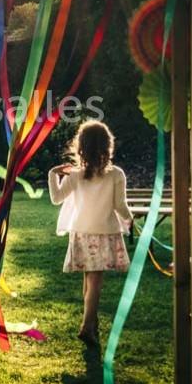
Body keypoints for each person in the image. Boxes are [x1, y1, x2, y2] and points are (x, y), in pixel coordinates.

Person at [48, 120, 133, 348]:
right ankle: (87, 327)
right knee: (94, 282)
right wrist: (130, 218)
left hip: (81, 233)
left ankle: (91, 325)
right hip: (103, 233)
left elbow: (56, 198)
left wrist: (52, 175)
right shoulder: (115, 174)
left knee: (89, 279)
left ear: (81, 146)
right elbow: (119, 205)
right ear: (108, 146)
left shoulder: (75, 175)